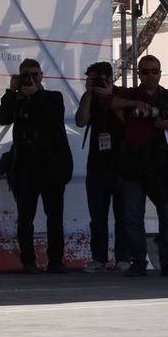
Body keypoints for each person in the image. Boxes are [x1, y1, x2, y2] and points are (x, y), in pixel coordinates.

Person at [101, 54, 168, 276]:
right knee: (132, 215)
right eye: (145, 71)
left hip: (161, 163)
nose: (150, 75)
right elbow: (106, 102)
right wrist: (135, 103)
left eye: (154, 71)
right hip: (133, 161)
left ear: (161, 73)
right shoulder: (131, 94)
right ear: (139, 74)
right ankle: (138, 262)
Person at [0, 59, 74, 273]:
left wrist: (34, 94)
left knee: (54, 217)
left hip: (52, 166)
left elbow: (52, 116)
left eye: (34, 74)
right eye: (26, 75)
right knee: (25, 217)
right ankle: (28, 261)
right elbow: (3, 118)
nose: (30, 78)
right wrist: (12, 92)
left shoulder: (53, 97)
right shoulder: (16, 99)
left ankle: (56, 261)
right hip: (25, 167)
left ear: (41, 76)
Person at [75, 60, 127, 272]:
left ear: (109, 79)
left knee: (123, 215)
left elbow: (127, 121)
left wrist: (110, 98)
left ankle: (123, 258)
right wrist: (88, 95)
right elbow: (81, 121)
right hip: (96, 165)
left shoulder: (123, 94)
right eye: (91, 79)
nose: (95, 83)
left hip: (121, 164)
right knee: (98, 217)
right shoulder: (89, 98)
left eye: (98, 79)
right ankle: (99, 258)